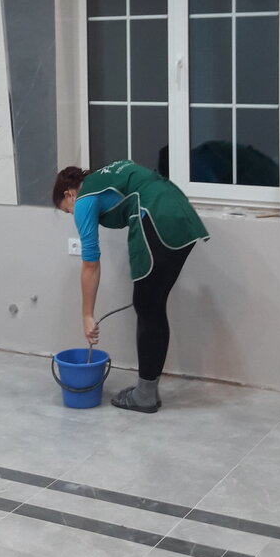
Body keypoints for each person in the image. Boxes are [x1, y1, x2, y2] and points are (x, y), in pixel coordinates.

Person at [52, 160, 208, 412]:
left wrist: (87, 315)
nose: (74, 215)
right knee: (152, 305)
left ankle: (145, 395)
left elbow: (90, 263)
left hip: (156, 216)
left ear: (69, 194)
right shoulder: (106, 175)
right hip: (180, 212)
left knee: (147, 306)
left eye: (68, 210)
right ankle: (147, 390)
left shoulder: (84, 198)